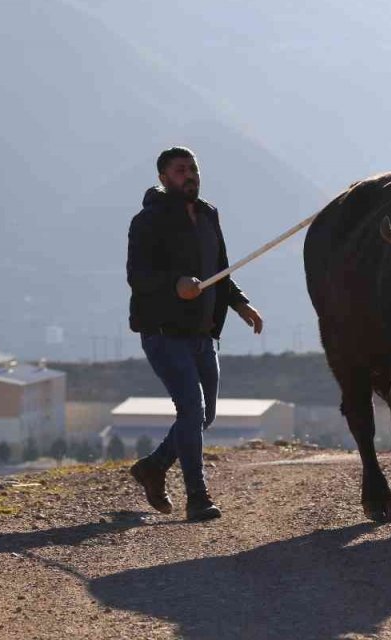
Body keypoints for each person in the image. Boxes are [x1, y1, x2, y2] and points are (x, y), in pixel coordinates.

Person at [125, 146, 263, 521]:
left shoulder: (207, 214)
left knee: (204, 415)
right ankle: (197, 497)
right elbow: (138, 276)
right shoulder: (147, 221)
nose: (190, 175)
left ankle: (153, 467)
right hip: (164, 333)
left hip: (203, 334)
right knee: (191, 410)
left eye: (193, 168)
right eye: (181, 170)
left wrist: (240, 304)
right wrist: (176, 283)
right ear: (163, 178)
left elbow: (220, 271)